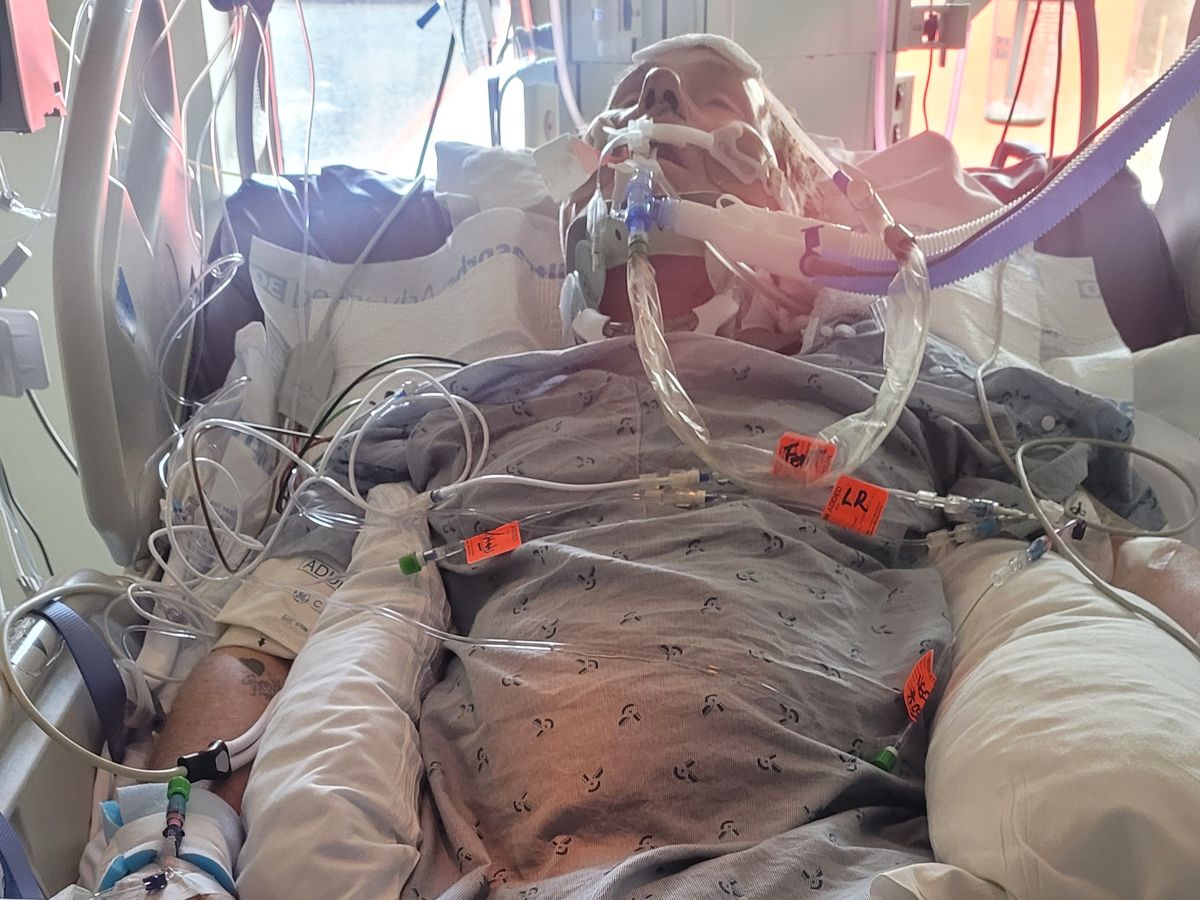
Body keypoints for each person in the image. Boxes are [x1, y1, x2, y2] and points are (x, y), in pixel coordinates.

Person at [132, 34, 1177, 900]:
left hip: (857, 869)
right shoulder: (447, 418)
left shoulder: (911, 391)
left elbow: (1120, 574)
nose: (660, 107)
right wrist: (168, 858)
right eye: (634, 99)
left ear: (796, 190)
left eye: (711, 97)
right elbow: (261, 651)